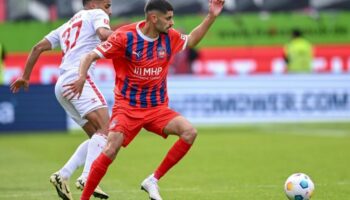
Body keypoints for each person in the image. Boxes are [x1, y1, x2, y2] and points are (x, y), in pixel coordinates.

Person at [64, 0, 225, 199]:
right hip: (128, 108)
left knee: (189, 132)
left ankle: (153, 180)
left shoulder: (169, 37)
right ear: (153, 18)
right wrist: (81, 77)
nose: (172, 23)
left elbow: (191, 40)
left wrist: (212, 16)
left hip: (157, 108)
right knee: (110, 148)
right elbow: (89, 56)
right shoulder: (124, 37)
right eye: (168, 18)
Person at [10, 0, 114, 199]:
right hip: (78, 79)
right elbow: (103, 34)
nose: (109, 10)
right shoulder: (96, 15)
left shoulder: (67, 25)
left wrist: (25, 76)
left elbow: (37, 47)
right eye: (107, 5)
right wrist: (129, 35)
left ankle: (63, 175)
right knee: (106, 130)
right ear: (93, 4)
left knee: (97, 137)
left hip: (61, 85)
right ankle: (88, 177)